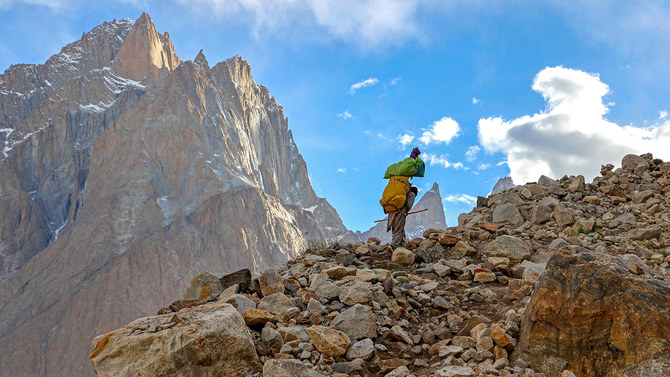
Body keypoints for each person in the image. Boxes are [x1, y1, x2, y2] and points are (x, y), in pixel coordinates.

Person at [387, 147, 421, 247]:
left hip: (390, 209)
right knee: (398, 230)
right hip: (400, 211)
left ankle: (402, 248)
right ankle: (393, 247)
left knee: (397, 229)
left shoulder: (398, 185)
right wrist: (405, 211)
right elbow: (408, 206)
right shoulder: (411, 194)